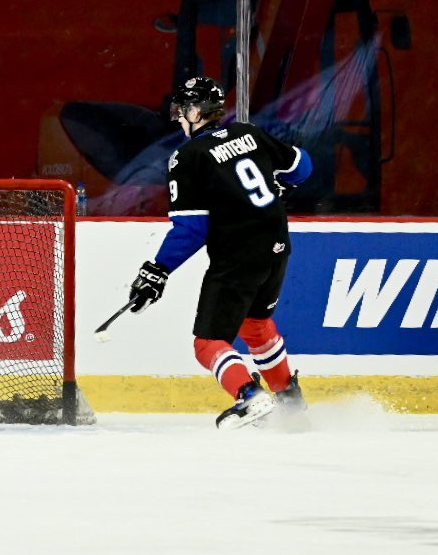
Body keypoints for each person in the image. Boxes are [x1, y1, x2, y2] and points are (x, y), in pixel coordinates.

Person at [125, 76, 313, 429]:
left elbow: (192, 229)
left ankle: (249, 395)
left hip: (238, 255)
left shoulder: (187, 157)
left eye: (183, 110)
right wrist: (281, 183)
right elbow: (303, 167)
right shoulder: (248, 133)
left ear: (196, 112)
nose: (179, 117)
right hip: (276, 246)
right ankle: (290, 400)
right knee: (256, 325)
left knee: (208, 343)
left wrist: (158, 270)